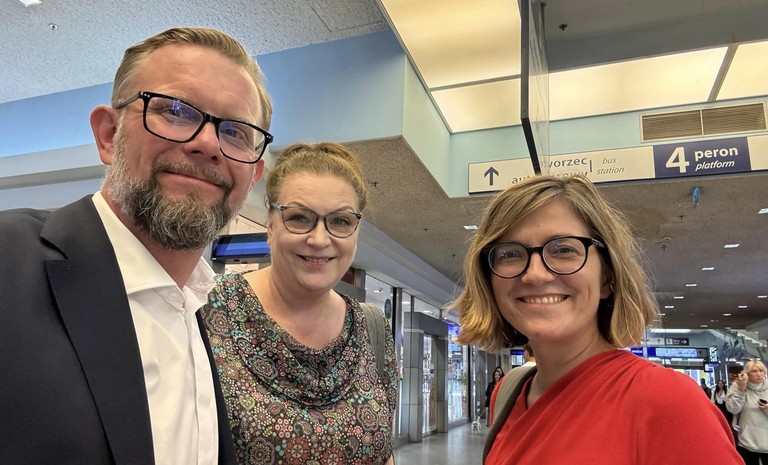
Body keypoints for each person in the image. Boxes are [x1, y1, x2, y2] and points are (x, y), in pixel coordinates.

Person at [0, 27, 273, 464]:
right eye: (176, 110)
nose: (208, 144)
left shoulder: (202, 310)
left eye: (236, 132)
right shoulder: (8, 263)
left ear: (253, 176)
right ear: (109, 135)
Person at [450, 174, 743, 465]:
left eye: (563, 250)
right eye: (510, 254)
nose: (535, 274)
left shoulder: (668, 403)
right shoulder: (508, 393)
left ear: (607, 276)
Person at [201, 142, 397, 464]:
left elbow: (383, 452)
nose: (319, 239)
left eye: (341, 221)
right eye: (299, 217)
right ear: (270, 225)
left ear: (356, 231)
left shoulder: (372, 328)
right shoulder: (207, 309)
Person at [726, 360, 768, 464]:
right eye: (754, 371)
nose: (759, 374)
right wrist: (741, 390)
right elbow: (732, 409)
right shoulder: (737, 386)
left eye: (761, 370)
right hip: (747, 441)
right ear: (747, 374)